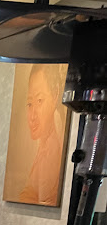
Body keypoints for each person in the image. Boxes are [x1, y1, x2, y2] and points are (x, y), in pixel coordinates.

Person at [19, 64, 65, 205]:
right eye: (29, 104)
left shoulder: (53, 148)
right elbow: (30, 192)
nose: (32, 116)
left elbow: (42, 200)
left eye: (39, 101)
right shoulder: (44, 145)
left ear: (55, 95)